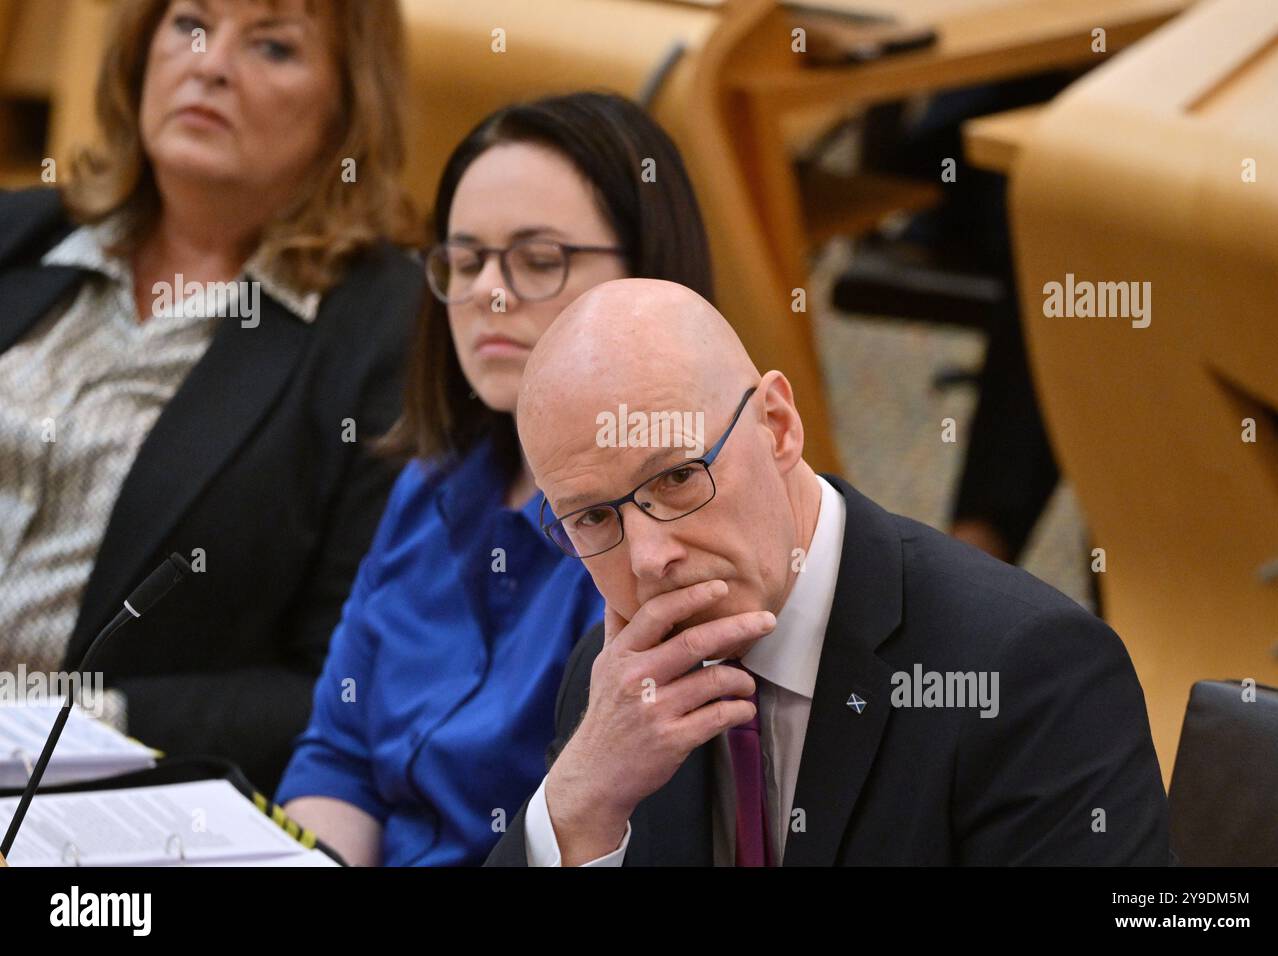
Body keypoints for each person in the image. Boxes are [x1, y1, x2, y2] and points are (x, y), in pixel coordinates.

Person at [485, 278, 1170, 866]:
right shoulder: (612, 686)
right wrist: (575, 809)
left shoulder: (1027, 674)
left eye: (677, 477)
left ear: (779, 425)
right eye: (593, 518)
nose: (648, 558)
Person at [276, 92, 715, 866]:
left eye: (539, 261)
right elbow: (339, 760)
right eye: (465, 260)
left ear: (649, 274)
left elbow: (609, 826)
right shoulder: (429, 485)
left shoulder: (671, 531)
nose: (488, 291)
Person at [0, 0, 422, 791]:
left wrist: (60, 727)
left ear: (347, 106)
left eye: (273, 47)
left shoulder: (384, 334)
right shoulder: (22, 233)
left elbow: (338, 682)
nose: (212, 64)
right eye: (190, 24)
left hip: (87, 792)